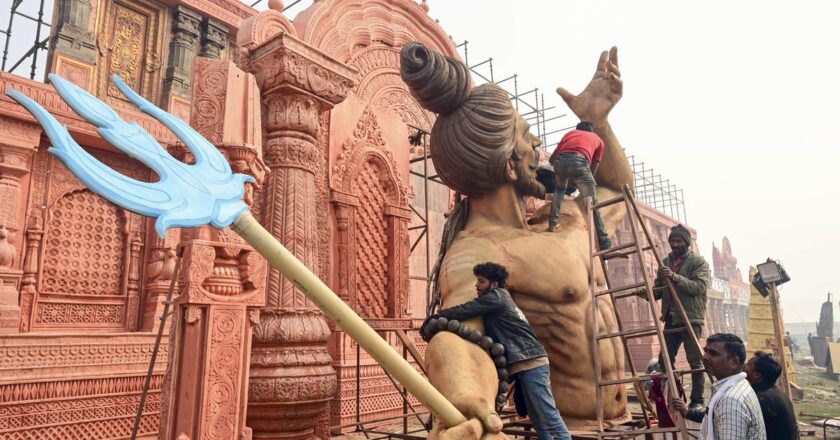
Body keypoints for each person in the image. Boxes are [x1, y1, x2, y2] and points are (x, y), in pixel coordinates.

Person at [401, 42, 632, 437]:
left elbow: (617, 189)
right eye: (528, 138)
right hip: (574, 429)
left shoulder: (565, 218)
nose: (540, 146)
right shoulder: (478, 251)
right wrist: (463, 396)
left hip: (622, 421)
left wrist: (597, 121)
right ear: (510, 166)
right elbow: (458, 335)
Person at [421, 262, 572, 440]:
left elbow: (466, 309)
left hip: (531, 363)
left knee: (548, 416)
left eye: (481, 281)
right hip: (526, 363)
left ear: (494, 284)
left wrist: (437, 317)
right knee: (539, 420)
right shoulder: (501, 297)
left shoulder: (496, 297)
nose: (477, 285)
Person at [646, 224, 709, 411]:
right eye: (672, 241)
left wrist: (674, 277)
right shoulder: (664, 262)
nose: (675, 244)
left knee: (695, 362)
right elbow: (659, 290)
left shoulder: (698, 263)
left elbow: (698, 288)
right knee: (664, 361)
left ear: (687, 243)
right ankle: (669, 398)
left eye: (679, 241)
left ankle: (697, 400)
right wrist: (646, 292)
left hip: (690, 318)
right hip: (671, 319)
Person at [671, 333, 766, 440]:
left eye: (713, 353)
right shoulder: (737, 386)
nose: (704, 357)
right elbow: (715, 419)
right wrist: (688, 413)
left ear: (734, 362)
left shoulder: (731, 400)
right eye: (705, 351)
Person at [546, 122, 611, 250]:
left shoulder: (569, 134)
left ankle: (552, 224)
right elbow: (594, 166)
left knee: (559, 191)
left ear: (577, 129)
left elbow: (551, 160)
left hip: (560, 162)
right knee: (592, 203)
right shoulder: (598, 140)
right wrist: (584, 181)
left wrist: (567, 173)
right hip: (580, 162)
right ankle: (604, 242)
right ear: (591, 131)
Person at [746, 352, 799, 440]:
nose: (744, 368)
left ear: (757, 375)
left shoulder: (760, 399)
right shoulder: (779, 393)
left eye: (748, 365)